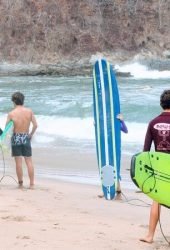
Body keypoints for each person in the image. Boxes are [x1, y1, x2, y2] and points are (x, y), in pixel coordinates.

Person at [140, 89, 170, 243]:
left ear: (161, 104)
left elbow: (145, 151)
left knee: (157, 200)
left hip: (159, 167)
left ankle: (150, 236)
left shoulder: (153, 122)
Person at [6, 92, 38, 189]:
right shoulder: (29, 111)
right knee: (28, 161)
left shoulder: (11, 113)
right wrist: (30, 135)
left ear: (14, 101)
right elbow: (36, 125)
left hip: (16, 138)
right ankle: (32, 184)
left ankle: (20, 184)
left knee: (18, 162)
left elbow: (7, 129)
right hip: (25, 137)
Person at [98, 113, 128, 199]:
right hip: (106, 149)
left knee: (115, 167)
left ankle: (118, 189)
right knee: (105, 166)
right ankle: (105, 190)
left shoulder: (115, 125)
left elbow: (126, 130)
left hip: (115, 149)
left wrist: (122, 121)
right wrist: (96, 125)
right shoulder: (104, 126)